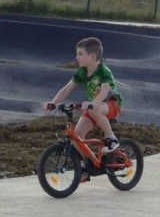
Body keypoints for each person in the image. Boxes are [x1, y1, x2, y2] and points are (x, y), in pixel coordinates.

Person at [44, 37, 123, 182]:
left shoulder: (103, 71)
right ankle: (85, 167)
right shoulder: (82, 72)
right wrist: (53, 103)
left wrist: (93, 103)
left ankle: (111, 139)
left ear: (92, 56)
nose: (76, 57)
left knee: (94, 109)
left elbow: (105, 92)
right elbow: (66, 89)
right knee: (77, 135)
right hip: (95, 107)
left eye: (80, 54)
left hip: (111, 104)